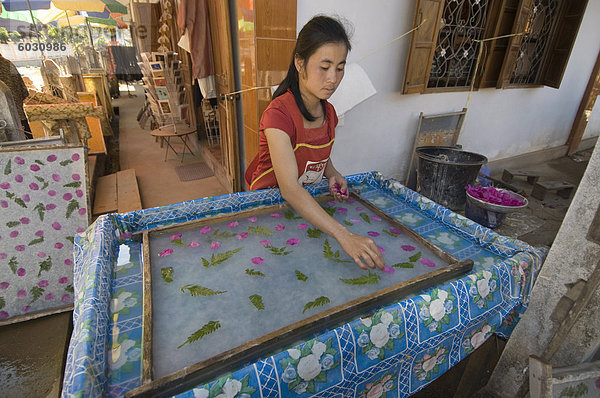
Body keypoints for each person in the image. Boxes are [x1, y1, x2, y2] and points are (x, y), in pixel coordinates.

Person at [245, 15, 385, 271]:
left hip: (302, 208)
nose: (333, 78)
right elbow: (289, 189)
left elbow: (318, 150)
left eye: (340, 67)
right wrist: (345, 235)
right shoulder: (278, 115)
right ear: (300, 63)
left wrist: (332, 173)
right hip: (267, 208)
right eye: (325, 66)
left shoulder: (328, 111)